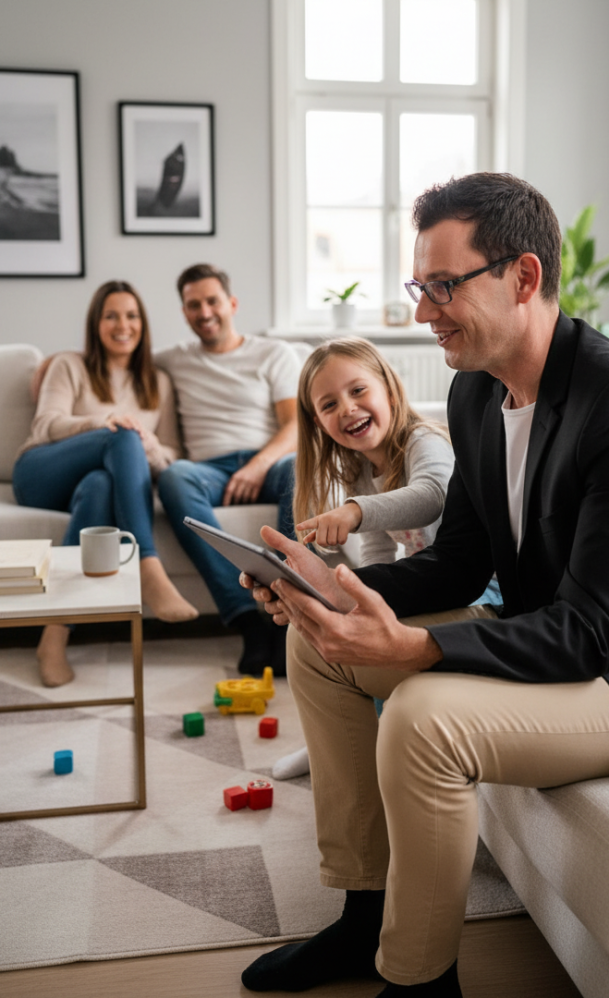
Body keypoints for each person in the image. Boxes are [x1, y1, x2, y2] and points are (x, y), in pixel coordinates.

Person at [237, 172, 609, 998]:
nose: (422, 312)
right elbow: (459, 563)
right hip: (579, 649)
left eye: (444, 286)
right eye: (422, 286)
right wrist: (330, 589)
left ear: (523, 278)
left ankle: (420, 982)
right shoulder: (477, 393)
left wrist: (414, 646)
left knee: (421, 718)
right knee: (318, 652)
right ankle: (362, 918)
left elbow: (591, 632)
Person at [272, 337, 454, 781]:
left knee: (369, 645)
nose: (348, 409)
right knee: (341, 624)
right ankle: (334, 736)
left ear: (389, 391)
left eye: (358, 391)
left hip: (471, 584)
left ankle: (363, 739)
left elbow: (433, 495)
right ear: (318, 423)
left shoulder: (423, 440)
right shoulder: (361, 469)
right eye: (330, 404)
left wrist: (354, 510)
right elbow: (378, 554)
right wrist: (344, 595)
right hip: (422, 582)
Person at [13, 281, 197, 688]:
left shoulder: (158, 382)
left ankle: (53, 638)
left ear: (143, 323)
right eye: (111, 315)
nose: (122, 325)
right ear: (96, 323)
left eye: (131, 315)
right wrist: (104, 423)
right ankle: (147, 562)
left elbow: (172, 453)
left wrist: (145, 444)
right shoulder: (69, 366)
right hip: (41, 472)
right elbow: (45, 425)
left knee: (101, 484)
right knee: (122, 435)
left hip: (92, 484)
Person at [155, 264, 300, 677]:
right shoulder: (173, 359)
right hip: (209, 472)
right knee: (174, 476)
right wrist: (57, 365)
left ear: (231, 303)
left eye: (212, 301)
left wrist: (257, 466)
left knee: (297, 466)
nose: (204, 312)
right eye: (193, 305)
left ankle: (286, 610)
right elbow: (117, 355)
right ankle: (246, 622)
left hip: (269, 462)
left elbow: (294, 426)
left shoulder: (272, 353)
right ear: (184, 313)